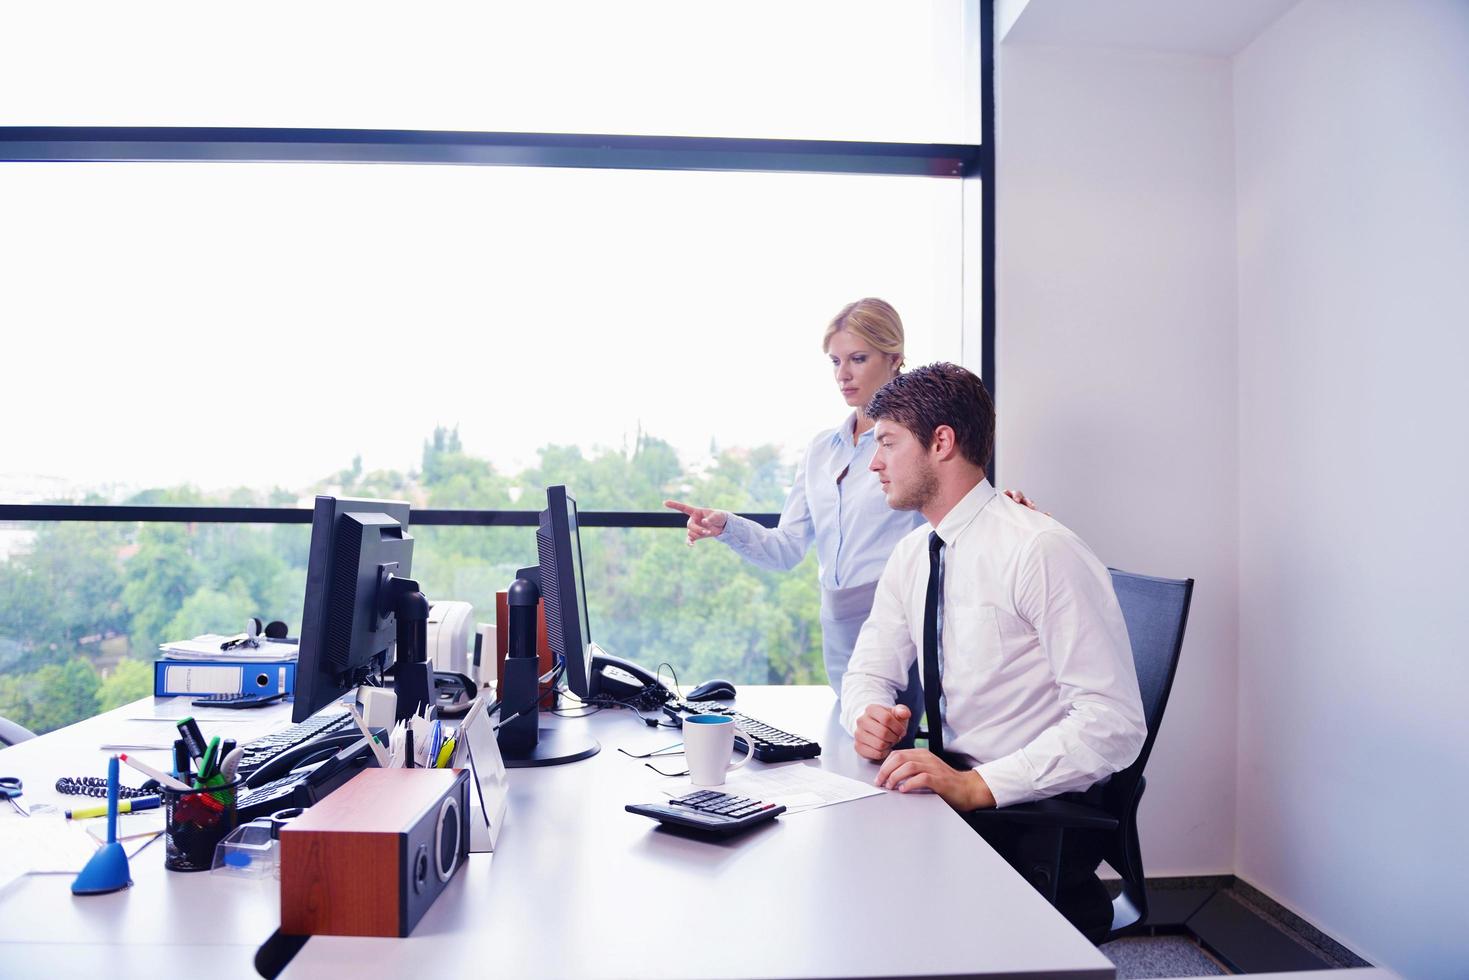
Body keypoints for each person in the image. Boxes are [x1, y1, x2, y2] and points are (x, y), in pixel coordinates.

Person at [839, 362, 1145, 943]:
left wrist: (977, 788)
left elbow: (1115, 725)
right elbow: (867, 672)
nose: (873, 463)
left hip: (1022, 815)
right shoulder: (913, 556)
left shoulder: (1039, 550)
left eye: (886, 443)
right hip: (954, 793)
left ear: (942, 443)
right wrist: (867, 717)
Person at [665, 298, 1039, 709]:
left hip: (902, 614)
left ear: (895, 359)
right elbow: (786, 550)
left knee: (889, 742)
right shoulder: (821, 450)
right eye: (834, 361)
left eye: (858, 359)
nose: (843, 375)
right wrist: (726, 526)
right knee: (854, 738)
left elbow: (956, 511)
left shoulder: (916, 445)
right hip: (837, 622)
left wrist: (1001, 513)